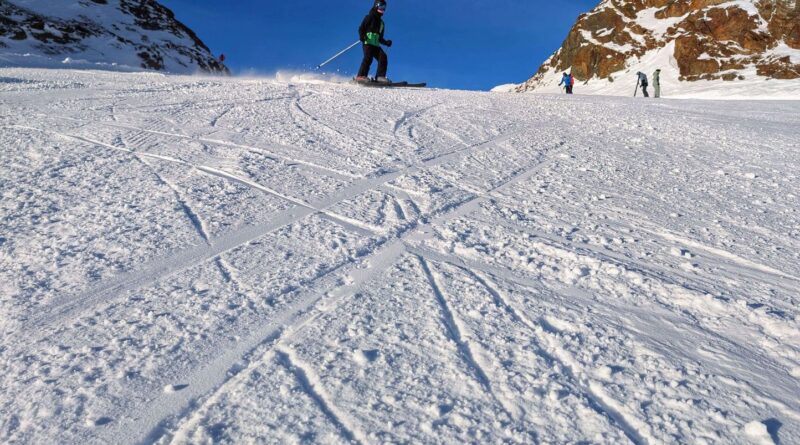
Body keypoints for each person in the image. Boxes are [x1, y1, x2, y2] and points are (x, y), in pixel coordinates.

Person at [356, 1, 393, 84]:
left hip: (376, 44)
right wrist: (362, 36)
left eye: (384, 7)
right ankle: (360, 76)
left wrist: (386, 42)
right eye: (381, 6)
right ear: (376, 6)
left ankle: (380, 77)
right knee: (368, 58)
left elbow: (380, 38)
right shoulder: (369, 17)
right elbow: (361, 28)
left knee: (383, 57)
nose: (383, 9)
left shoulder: (381, 23)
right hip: (368, 43)